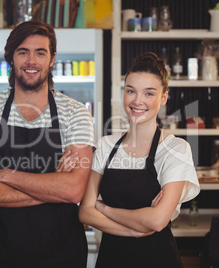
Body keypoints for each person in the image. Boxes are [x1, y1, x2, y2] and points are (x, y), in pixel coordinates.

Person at [0, 20, 94, 268]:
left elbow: (74, 190)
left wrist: (5, 175)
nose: (31, 61)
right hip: (2, 255)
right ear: (11, 58)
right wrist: (53, 186)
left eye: (40, 52)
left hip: (64, 255)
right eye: (23, 52)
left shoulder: (75, 113)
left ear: (52, 58)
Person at [79, 52, 201, 267]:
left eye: (149, 93)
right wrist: (135, 230)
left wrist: (104, 209)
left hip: (158, 259)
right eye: (131, 91)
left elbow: (157, 220)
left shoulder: (175, 149)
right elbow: (86, 212)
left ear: (163, 98)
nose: (137, 101)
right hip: (111, 259)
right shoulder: (106, 145)